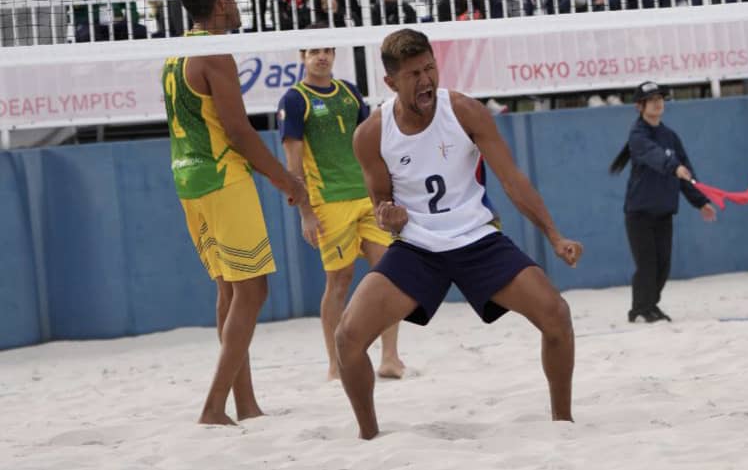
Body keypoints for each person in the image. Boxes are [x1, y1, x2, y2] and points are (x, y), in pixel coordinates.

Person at [335, 28, 583, 439]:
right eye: (414, 74)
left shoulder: (464, 111)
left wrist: (554, 235)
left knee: (556, 314)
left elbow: (513, 180)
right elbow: (381, 202)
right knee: (348, 337)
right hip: (417, 246)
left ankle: (564, 423)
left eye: (430, 68)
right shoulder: (371, 134)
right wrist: (388, 215)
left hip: (476, 239)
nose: (426, 79)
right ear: (391, 83)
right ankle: (369, 439)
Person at [163, 0, 306, 424]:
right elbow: (239, 133)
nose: (237, 3)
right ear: (221, 1)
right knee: (254, 290)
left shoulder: (173, 54)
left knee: (230, 289)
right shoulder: (214, 53)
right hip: (223, 180)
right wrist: (287, 180)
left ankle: (244, 402)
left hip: (189, 182)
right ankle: (214, 406)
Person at [279, 36, 405, 381]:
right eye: (314, 50)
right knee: (339, 281)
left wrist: (385, 193)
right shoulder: (294, 99)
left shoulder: (349, 92)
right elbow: (293, 164)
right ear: (302, 55)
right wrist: (305, 211)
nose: (322, 56)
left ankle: (391, 357)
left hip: (366, 198)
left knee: (390, 274)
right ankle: (336, 363)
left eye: (327, 50)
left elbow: (369, 143)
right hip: (328, 202)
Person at [609, 81, 716, 324]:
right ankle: (643, 308)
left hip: (664, 211)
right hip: (639, 213)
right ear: (639, 106)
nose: (658, 103)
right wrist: (673, 166)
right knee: (647, 264)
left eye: (661, 98)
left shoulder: (670, 136)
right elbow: (654, 156)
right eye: (652, 99)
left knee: (663, 265)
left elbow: (687, 172)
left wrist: (700, 202)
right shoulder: (638, 136)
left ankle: (646, 306)